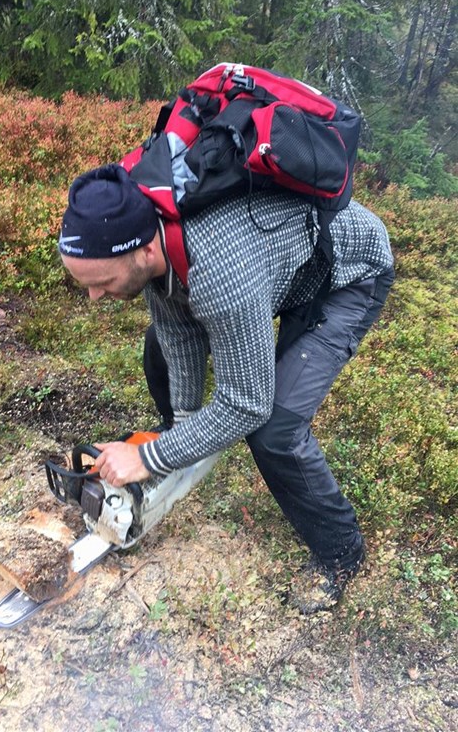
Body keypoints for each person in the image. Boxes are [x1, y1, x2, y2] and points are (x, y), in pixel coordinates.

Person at [59, 163, 394, 613]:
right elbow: (177, 332)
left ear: (145, 250)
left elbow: (247, 405)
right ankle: (178, 439)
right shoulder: (157, 233)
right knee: (159, 343)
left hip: (348, 275)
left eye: (102, 283)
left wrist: (145, 459)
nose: (94, 298)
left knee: (275, 425)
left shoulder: (220, 271)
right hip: (278, 268)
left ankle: (342, 553)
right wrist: (180, 434)